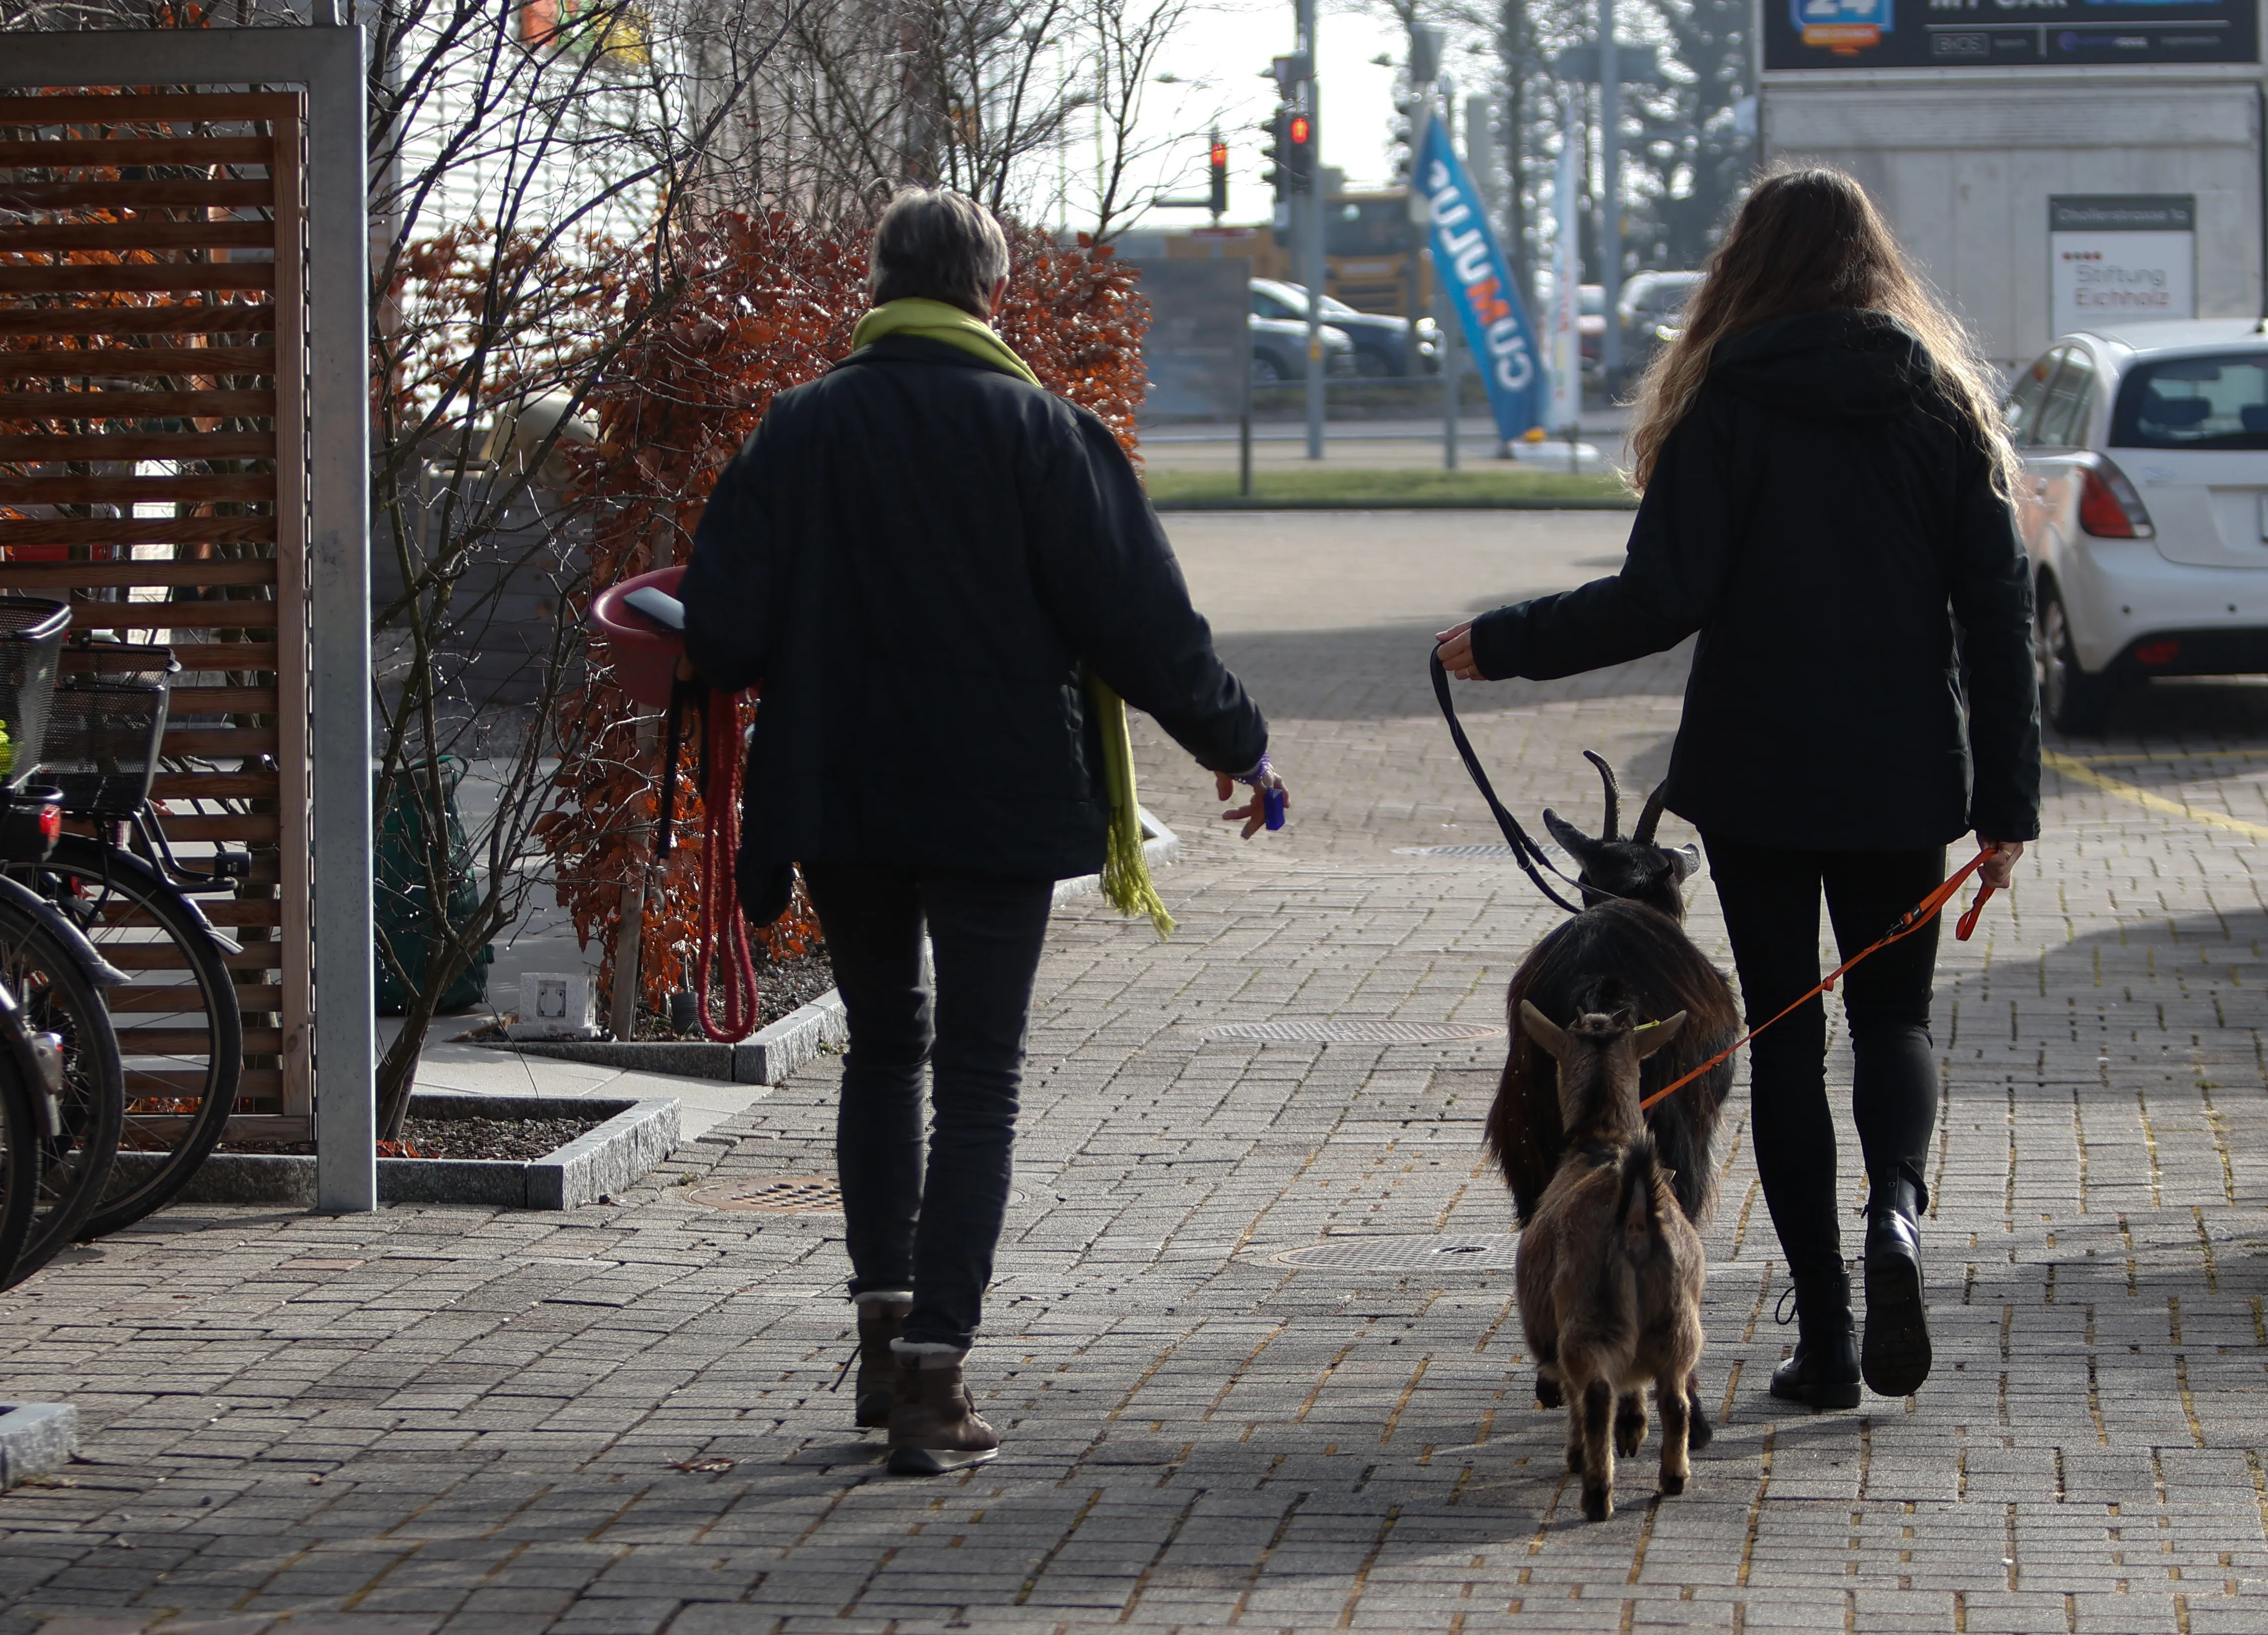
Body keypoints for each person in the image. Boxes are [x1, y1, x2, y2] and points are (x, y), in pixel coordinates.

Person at [679, 187, 1283, 1474]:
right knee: (978, 1074)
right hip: (997, 805)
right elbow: (1143, 627)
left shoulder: (798, 432)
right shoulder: (1044, 437)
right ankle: (930, 1376)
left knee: (883, 1048)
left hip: (840, 796)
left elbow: (723, 632)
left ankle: (881, 1331)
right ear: (989, 296)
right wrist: (1236, 745)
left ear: (878, 284)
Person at [1436, 166, 2039, 1409]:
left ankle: (1823, 1344)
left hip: (1758, 777)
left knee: (1784, 1046)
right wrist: (2006, 802)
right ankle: (1898, 1220)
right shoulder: (1943, 411)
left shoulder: (1724, 406)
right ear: (1876, 267)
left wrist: (1499, 640)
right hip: (1901, 776)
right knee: (1893, 1023)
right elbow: (1996, 615)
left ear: (1740, 269)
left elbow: (1658, 601)